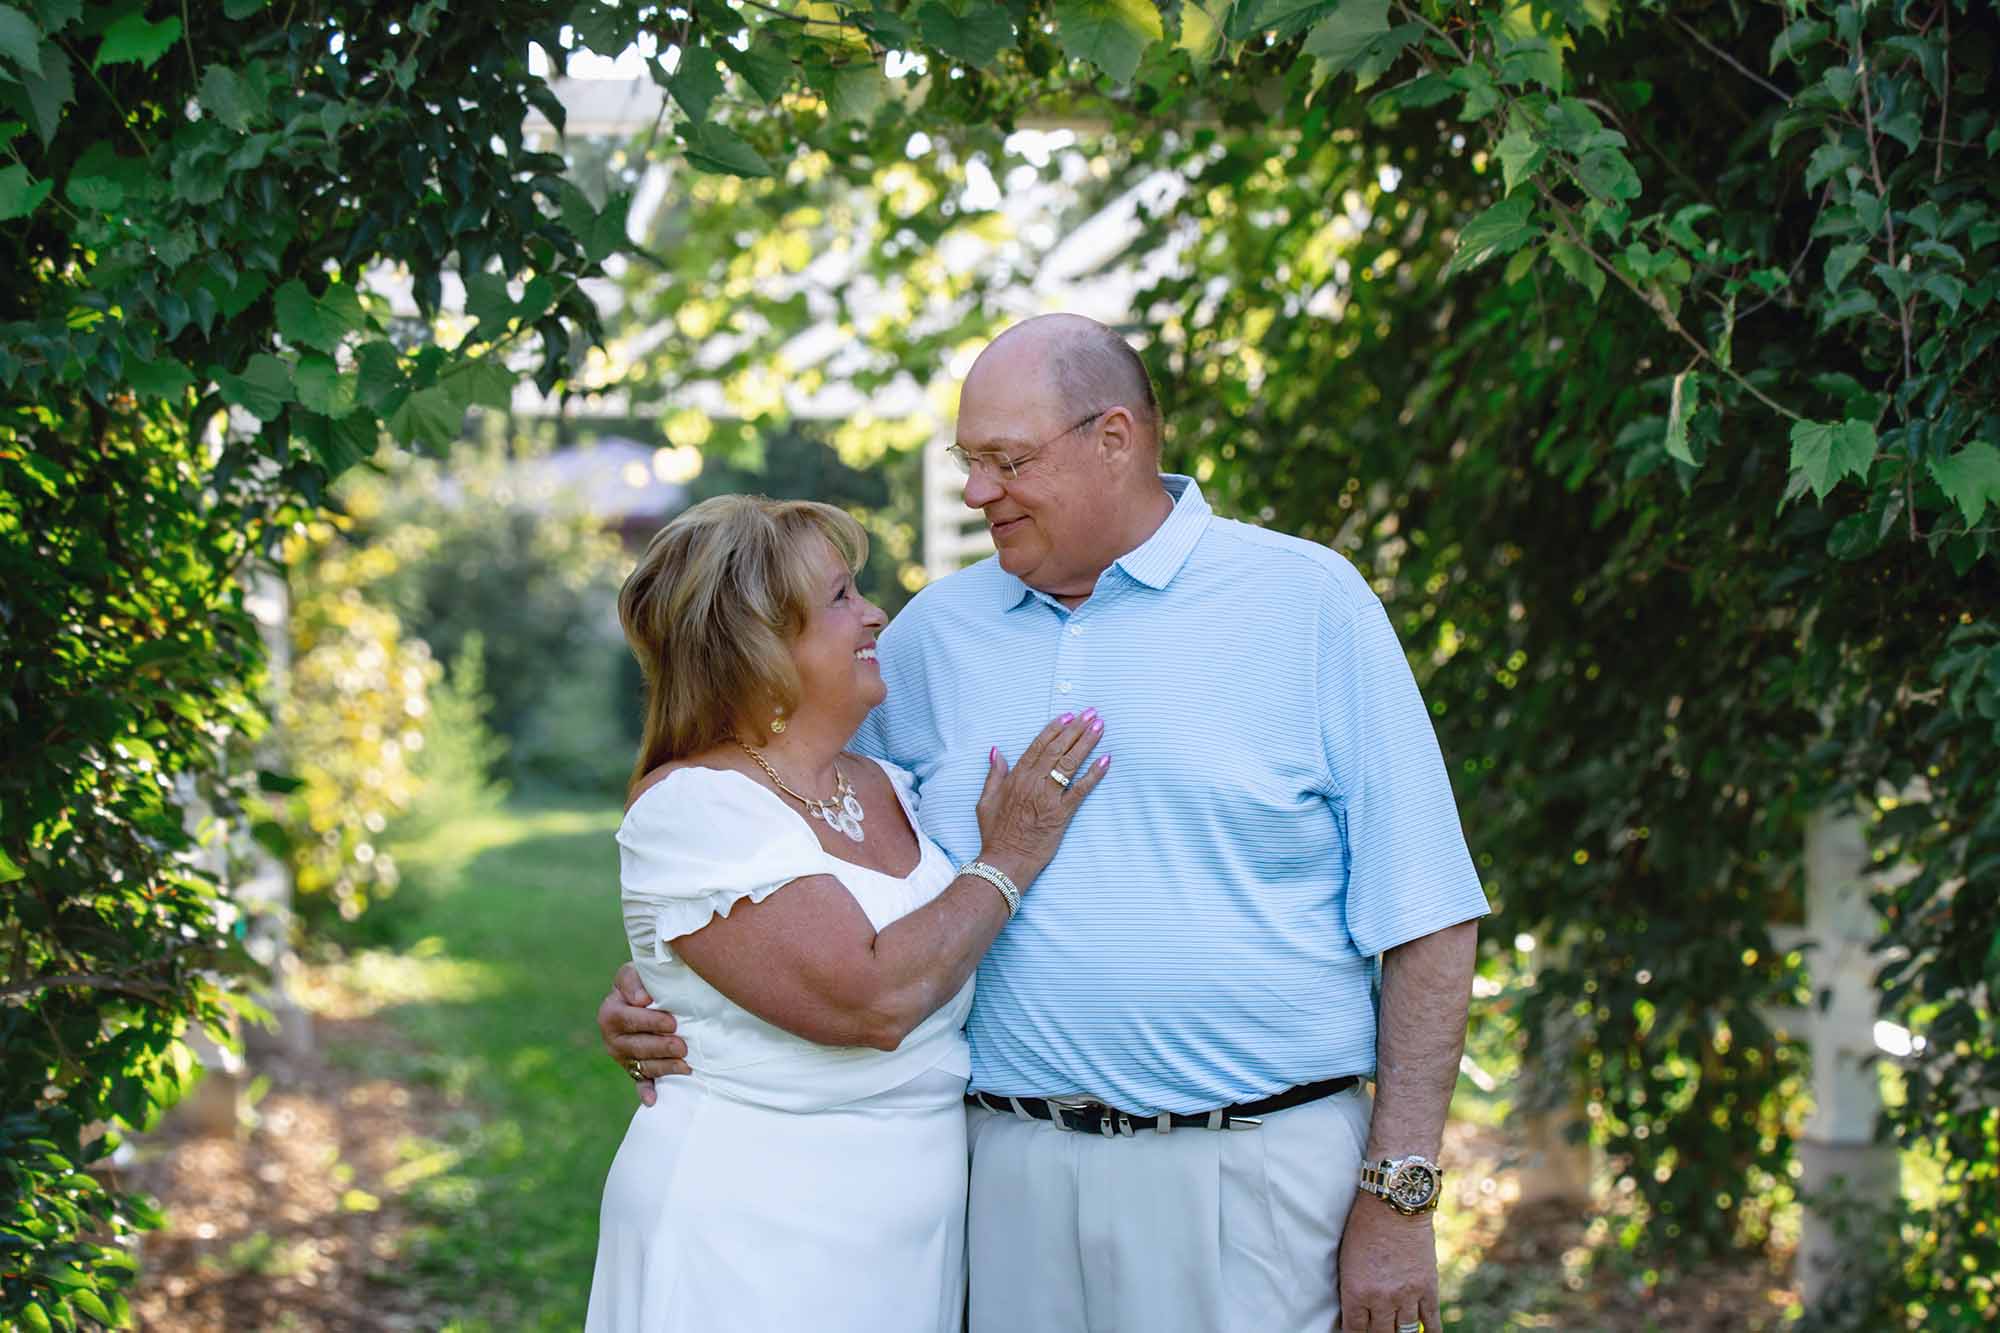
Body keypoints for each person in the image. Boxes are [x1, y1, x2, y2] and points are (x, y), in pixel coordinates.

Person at [599, 314, 1489, 1333]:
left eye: (1007, 461)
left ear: (1113, 439)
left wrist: (1400, 1190)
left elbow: (1427, 913)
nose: (977, 491)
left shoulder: (1308, 603)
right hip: (999, 1181)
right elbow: (781, 837)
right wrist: (670, 981)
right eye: (968, 462)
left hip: (1254, 1179)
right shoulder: (929, 637)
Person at [586, 494, 1108, 1333]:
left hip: (907, 1231)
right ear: (759, 645)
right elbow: (874, 999)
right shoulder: (695, 806)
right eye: (840, 597)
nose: (875, 614)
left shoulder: (883, 783)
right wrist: (1009, 855)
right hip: (753, 1233)